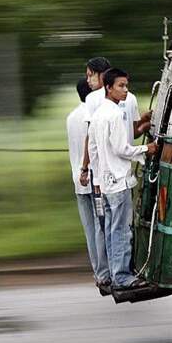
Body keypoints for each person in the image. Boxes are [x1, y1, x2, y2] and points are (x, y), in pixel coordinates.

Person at [88, 68, 157, 291]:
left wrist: (97, 179)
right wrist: (148, 148)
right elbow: (121, 148)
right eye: (120, 86)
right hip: (118, 181)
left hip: (106, 183)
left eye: (126, 85)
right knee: (121, 231)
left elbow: (93, 149)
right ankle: (122, 276)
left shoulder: (98, 114)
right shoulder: (115, 114)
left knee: (110, 230)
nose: (125, 90)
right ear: (108, 87)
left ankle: (115, 272)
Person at [66, 78, 110, 293]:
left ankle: (98, 272)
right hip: (93, 179)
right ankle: (105, 273)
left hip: (77, 180)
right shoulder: (93, 115)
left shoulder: (71, 117)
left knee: (89, 230)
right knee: (101, 226)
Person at [79, 57, 151, 187]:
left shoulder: (92, 99)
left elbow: (91, 138)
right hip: (125, 170)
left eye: (91, 75)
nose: (88, 80)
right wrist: (145, 125)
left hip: (105, 172)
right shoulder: (131, 97)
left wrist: (85, 168)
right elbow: (133, 133)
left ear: (102, 75)